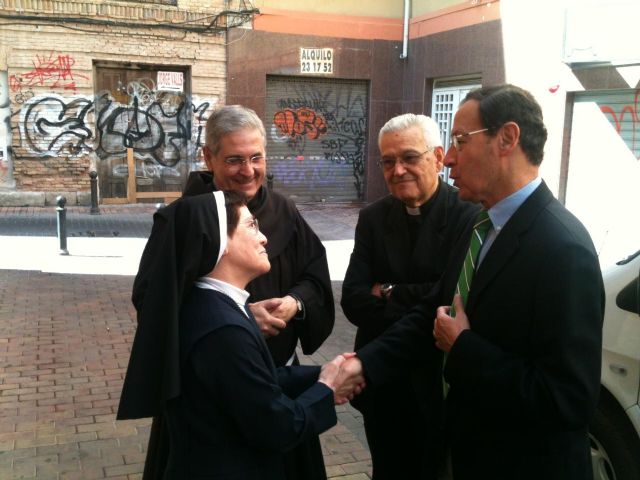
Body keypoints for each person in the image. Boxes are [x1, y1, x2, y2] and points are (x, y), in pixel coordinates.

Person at [336, 84, 604, 480]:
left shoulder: (562, 247)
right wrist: (363, 363)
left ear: (507, 139)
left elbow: (568, 400)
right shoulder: (481, 225)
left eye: (461, 141)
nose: (449, 159)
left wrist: (464, 347)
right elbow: (432, 312)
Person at [132, 105, 335, 479]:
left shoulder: (283, 211)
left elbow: (315, 276)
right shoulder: (185, 219)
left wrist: (295, 303)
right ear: (208, 157)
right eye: (234, 160)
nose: (248, 171)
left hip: (277, 380)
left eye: (256, 158)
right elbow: (153, 300)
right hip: (208, 399)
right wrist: (236, 318)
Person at [340, 113, 478, 479]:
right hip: (383, 384)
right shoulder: (373, 217)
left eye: (409, 157)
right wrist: (422, 297)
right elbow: (352, 299)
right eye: (388, 161)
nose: (398, 170)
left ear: (437, 157)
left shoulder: (468, 214)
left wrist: (387, 291)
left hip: (436, 382)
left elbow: (450, 300)